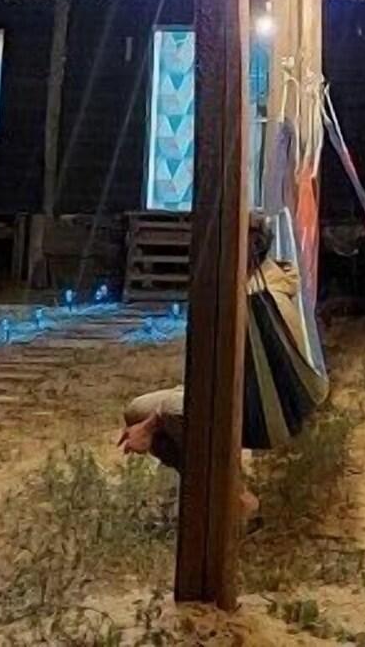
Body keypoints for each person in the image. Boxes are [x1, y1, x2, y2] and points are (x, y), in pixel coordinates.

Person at [117, 217, 308, 519]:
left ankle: (236, 501)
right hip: (258, 398)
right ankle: (222, 496)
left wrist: (154, 423)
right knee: (138, 409)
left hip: (262, 411)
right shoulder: (259, 282)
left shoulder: (254, 299)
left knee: (167, 413)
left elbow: (226, 387)